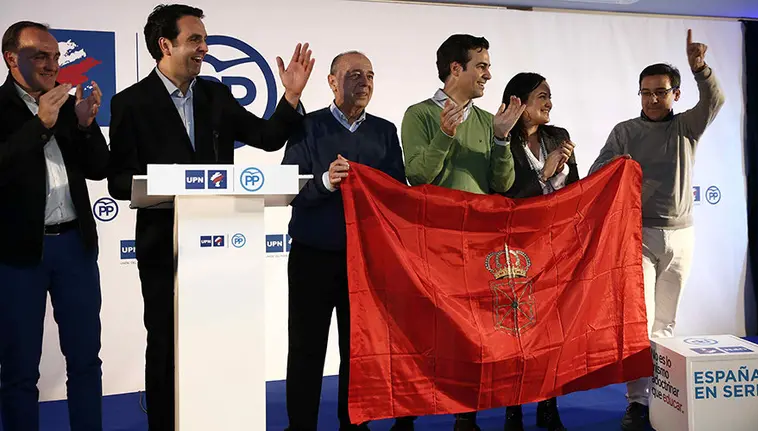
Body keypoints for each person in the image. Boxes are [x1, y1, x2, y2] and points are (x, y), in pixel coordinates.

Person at [106, 5, 314, 430]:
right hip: (163, 244)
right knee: (164, 343)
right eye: (195, 39)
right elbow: (118, 181)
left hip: (222, 243)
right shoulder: (130, 103)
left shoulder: (215, 95)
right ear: (166, 45)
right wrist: (171, 183)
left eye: (204, 39)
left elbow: (267, 138)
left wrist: (290, 97)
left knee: (219, 341)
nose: (205, 47)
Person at [588, 29, 725, 431]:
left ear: (675, 95)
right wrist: (620, 167)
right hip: (639, 237)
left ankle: (661, 399)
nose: (651, 99)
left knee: (666, 322)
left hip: (683, 235)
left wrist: (700, 69)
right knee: (641, 321)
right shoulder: (625, 132)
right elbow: (598, 173)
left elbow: (715, 100)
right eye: (645, 92)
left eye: (660, 92)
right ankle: (636, 402)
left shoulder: (687, 127)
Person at [393, 34, 525, 431]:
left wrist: (502, 139)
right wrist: (445, 135)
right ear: (456, 69)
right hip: (431, 243)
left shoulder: (490, 121)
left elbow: (502, 184)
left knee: (471, 331)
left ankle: (464, 415)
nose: (489, 74)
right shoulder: (418, 115)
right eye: (481, 66)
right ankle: (407, 413)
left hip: (476, 246)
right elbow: (418, 175)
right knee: (421, 330)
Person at [281, 50, 406, 431]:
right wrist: (324, 182)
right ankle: (300, 425)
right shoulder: (307, 126)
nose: (364, 82)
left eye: (369, 75)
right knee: (306, 348)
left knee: (359, 350)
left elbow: (397, 191)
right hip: (312, 255)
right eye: (354, 75)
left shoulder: (385, 131)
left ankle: (354, 423)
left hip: (364, 259)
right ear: (332, 82)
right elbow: (288, 187)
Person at [0, 21, 109, 431]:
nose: (52, 64)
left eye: (55, 56)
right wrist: (40, 124)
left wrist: (84, 124)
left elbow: (100, 168)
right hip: (17, 255)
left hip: (74, 248)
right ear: (12, 58)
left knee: (85, 361)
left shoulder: (64, 102)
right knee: (19, 369)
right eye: (40, 56)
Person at [496, 72, 577, 431]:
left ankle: (548, 406)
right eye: (542, 96)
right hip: (514, 251)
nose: (549, 103)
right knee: (515, 331)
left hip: (554, 249)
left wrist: (566, 167)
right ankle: (514, 409)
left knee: (550, 332)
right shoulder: (498, 140)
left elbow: (574, 190)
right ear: (520, 102)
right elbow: (506, 197)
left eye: (549, 96)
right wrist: (544, 172)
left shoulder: (558, 137)